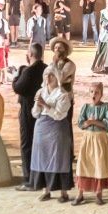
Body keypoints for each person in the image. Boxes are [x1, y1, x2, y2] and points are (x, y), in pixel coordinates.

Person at [30, 73, 77, 202]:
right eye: (47, 75)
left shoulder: (63, 95)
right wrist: (38, 105)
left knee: (59, 158)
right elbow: (35, 113)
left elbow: (59, 115)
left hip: (57, 128)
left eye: (52, 76)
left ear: (58, 78)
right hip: (41, 128)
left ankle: (64, 193)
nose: (48, 78)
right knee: (43, 157)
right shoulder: (40, 91)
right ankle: (46, 190)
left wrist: (45, 105)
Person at [11, 45, 47, 189]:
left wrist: (16, 77)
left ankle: (29, 178)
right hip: (43, 110)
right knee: (40, 144)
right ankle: (41, 177)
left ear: (30, 54)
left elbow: (18, 88)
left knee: (27, 143)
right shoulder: (46, 68)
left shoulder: (28, 71)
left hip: (28, 109)